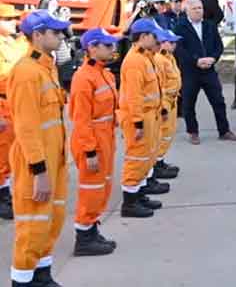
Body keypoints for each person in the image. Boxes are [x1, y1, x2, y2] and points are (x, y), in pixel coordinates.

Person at [7, 10, 71, 287]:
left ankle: (42, 276)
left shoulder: (46, 67)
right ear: (37, 35)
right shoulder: (25, 73)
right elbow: (27, 128)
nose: (60, 37)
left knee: (51, 220)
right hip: (36, 164)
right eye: (55, 33)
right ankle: (22, 281)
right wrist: (39, 171)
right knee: (32, 226)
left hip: (53, 160)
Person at [69, 28, 122, 257]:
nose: (113, 49)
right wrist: (89, 151)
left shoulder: (104, 73)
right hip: (92, 140)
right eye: (108, 45)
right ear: (92, 48)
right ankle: (83, 237)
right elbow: (81, 119)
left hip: (105, 137)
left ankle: (91, 229)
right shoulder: (84, 77)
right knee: (91, 190)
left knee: (102, 187)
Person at [173, 0, 236, 145]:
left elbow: (219, 46)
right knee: (188, 103)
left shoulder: (210, 25)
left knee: (218, 101)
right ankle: (193, 132)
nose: (199, 11)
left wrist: (213, 59)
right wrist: (195, 61)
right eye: (195, 9)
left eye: (200, 8)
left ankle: (224, 131)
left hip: (209, 70)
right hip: (190, 71)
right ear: (187, 11)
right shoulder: (180, 27)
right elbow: (179, 49)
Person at [119, 18, 168, 218]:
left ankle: (138, 194)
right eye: (154, 36)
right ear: (144, 37)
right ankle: (130, 202)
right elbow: (134, 95)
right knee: (136, 158)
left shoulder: (145, 57)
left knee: (146, 156)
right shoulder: (135, 61)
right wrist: (138, 122)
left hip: (150, 115)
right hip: (140, 117)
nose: (158, 40)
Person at [0, 4, 29, 220]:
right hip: (2, 106)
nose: (13, 22)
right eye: (8, 19)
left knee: (12, 156)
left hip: (16, 105)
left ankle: (8, 194)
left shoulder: (16, 43)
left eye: (15, 18)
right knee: (1, 156)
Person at [153, 29, 182, 179]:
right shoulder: (159, 60)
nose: (174, 45)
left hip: (172, 100)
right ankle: (156, 164)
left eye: (175, 42)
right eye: (171, 42)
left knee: (168, 132)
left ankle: (160, 160)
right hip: (165, 101)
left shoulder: (169, 57)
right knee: (162, 133)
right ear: (162, 43)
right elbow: (159, 84)